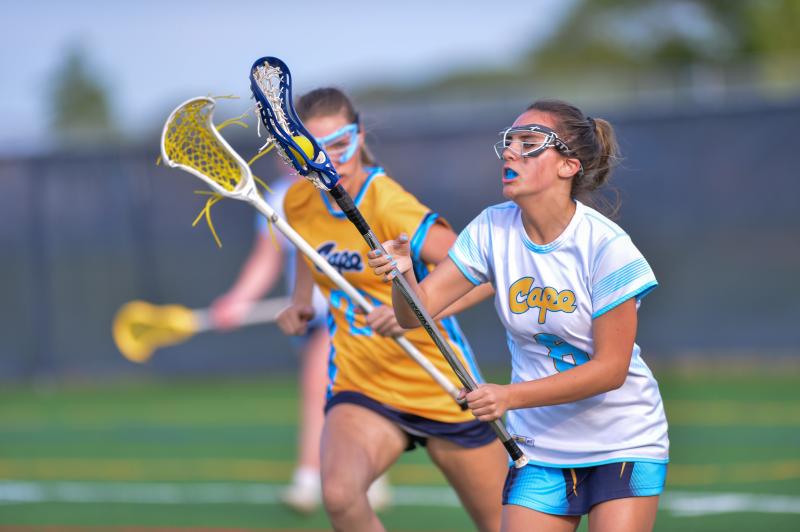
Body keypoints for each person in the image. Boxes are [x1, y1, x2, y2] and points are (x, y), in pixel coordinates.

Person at [368, 99, 669, 532]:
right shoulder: (491, 228)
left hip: (622, 441)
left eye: (529, 143)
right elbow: (416, 314)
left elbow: (611, 370)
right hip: (540, 447)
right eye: (509, 142)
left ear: (568, 165)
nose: (510, 152)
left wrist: (508, 397)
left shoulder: (606, 247)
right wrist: (404, 275)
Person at [277, 87, 507, 532]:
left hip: (440, 386)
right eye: (313, 149)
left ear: (360, 134)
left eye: (340, 144)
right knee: (340, 496)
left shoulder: (389, 205)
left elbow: (486, 276)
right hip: (362, 382)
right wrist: (301, 301)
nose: (329, 159)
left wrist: (416, 315)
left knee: (501, 524)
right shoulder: (297, 202)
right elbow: (309, 250)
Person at [209, 174, 390, 514]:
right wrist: (239, 300)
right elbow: (268, 258)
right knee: (348, 394)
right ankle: (367, 470)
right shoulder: (280, 196)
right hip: (311, 316)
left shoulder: (360, 185)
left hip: (352, 310)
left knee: (320, 386)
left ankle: (309, 479)